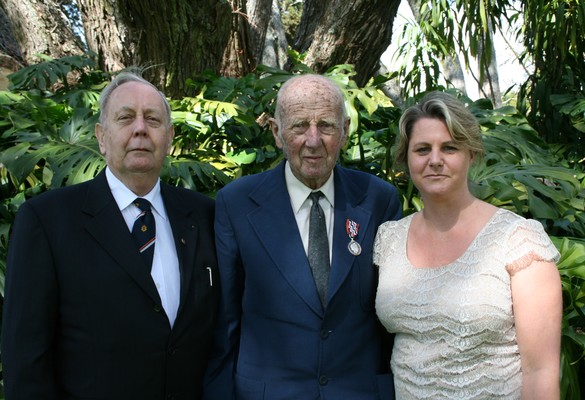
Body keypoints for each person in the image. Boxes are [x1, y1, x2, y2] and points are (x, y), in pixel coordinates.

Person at [1, 71, 220, 399]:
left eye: (152, 119)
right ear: (102, 137)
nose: (140, 129)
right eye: (126, 117)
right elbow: (26, 358)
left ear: (170, 138)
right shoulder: (47, 221)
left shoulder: (204, 215)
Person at [203, 74, 402, 400]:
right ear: (277, 133)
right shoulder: (236, 204)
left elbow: (392, 315)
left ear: (345, 130)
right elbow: (225, 323)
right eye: (299, 126)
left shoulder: (378, 200)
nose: (313, 140)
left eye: (326, 125)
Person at [374, 91, 562, 399]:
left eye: (449, 148)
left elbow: (540, 372)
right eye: (422, 149)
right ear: (406, 159)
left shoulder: (518, 240)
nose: (435, 160)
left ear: (471, 154)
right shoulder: (389, 239)